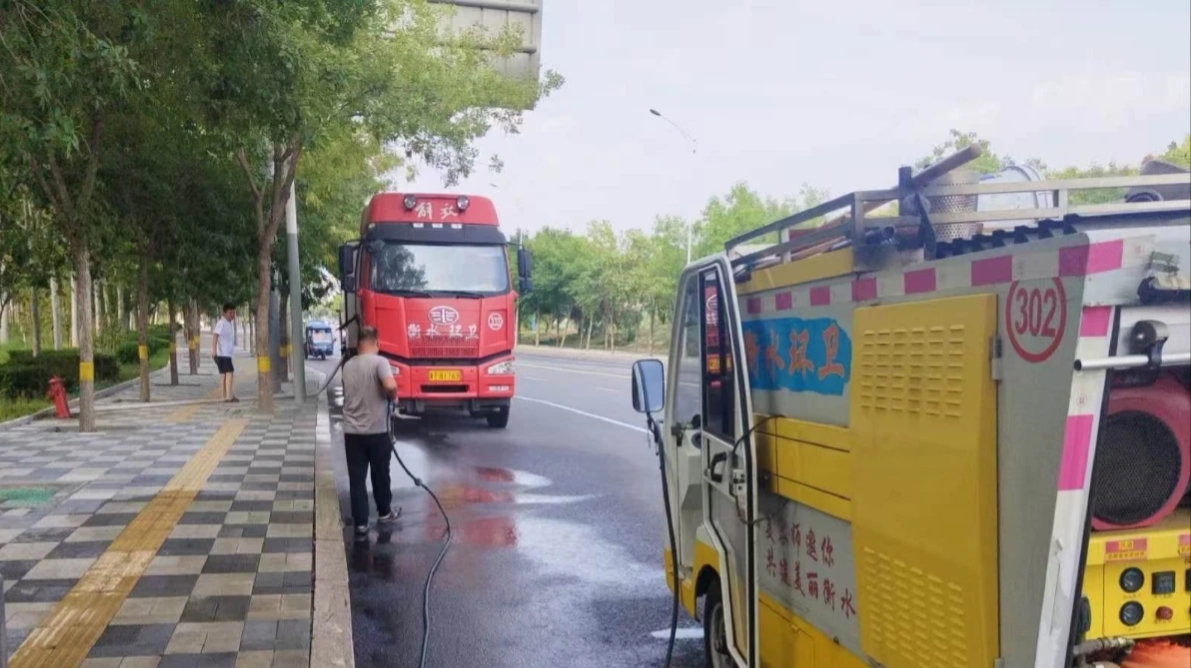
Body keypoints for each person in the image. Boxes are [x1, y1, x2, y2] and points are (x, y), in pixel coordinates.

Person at [342, 325, 400, 536]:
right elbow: (390, 385)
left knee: (357, 479)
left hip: (352, 432)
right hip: (377, 430)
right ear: (376, 343)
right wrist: (394, 397)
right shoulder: (380, 362)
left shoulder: (348, 365)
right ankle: (384, 512)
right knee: (380, 473)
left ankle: (361, 523)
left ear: (358, 345)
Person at [211, 303, 238, 403]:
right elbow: (215, 335)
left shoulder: (228, 323)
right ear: (225, 313)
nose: (232, 315)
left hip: (226, 354)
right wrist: (214, 350)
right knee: (229, 373)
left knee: (223, 375)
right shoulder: (221, 323)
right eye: (230, 313)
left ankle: (223, 395)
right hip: (223, 353)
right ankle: (229, 396)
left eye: (234, 313)